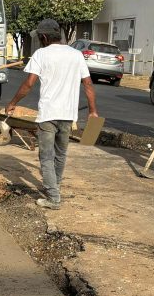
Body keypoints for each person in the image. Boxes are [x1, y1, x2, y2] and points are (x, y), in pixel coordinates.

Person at [5, 19, 99, 210]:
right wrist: (93, 111)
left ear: (45, 37)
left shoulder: (41, 54)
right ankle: (54, 186)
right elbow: (88, 84)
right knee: (61, 154)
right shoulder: (76, 55)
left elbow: (29, 84)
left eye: (40, 37)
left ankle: (53, 198)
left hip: (48, 114)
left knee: (46, 156)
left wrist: (13, 103)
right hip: (68, 114)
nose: (40, 40)